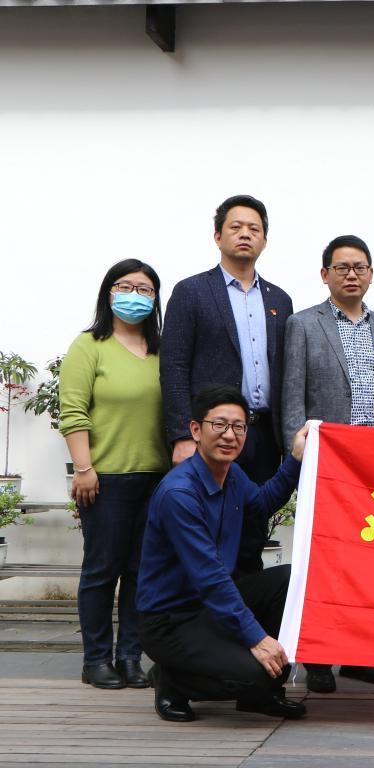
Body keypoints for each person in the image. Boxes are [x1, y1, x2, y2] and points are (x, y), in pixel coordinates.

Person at [137, 385, 308, 723]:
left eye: (238, 426)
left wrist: (296, 459)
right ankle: (171, 677)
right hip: (171, 620)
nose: (230, 435)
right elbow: (210, 578)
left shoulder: (231, 474)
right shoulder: (179, 494)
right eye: (219, 424)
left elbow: (261, 504)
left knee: (289, 580)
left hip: (209, 607)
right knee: (255, 676)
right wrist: (257, 639)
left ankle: (260, 695)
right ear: (196, 430)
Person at [281, 234, 374, 693]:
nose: (352, 275)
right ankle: (319, 659)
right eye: (342, 267)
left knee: (368, 562)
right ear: (325, 274)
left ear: (371, 275)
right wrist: (296, 450)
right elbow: (292, 393)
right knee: (324, 561)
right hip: (327, 464)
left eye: (360, 267)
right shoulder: (303, 324)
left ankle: (359, 656)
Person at [160, 195, 294, 575]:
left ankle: (247, 605)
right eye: (236, 227)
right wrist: (182, 435)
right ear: (218, 236)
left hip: (262, 435)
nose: (245, 234)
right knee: (206, 531)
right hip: (212, 433)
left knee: (252, 532)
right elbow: (173, 366)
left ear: (264, 240)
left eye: (254, 228)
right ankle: (205, 607)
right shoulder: (191, 292)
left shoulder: (280, 300)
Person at [59, 259, 170, 690]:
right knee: (102, 571)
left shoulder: (162, 351)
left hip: (157, 479)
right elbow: (73, 411)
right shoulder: (89, 345)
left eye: (145, 289)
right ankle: (96, 660)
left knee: (142, 572)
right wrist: (83, 468)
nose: (134, 296)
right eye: (125, 286)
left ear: (156, 299)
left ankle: (130, 658)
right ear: (108, 292)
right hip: (105, 479)